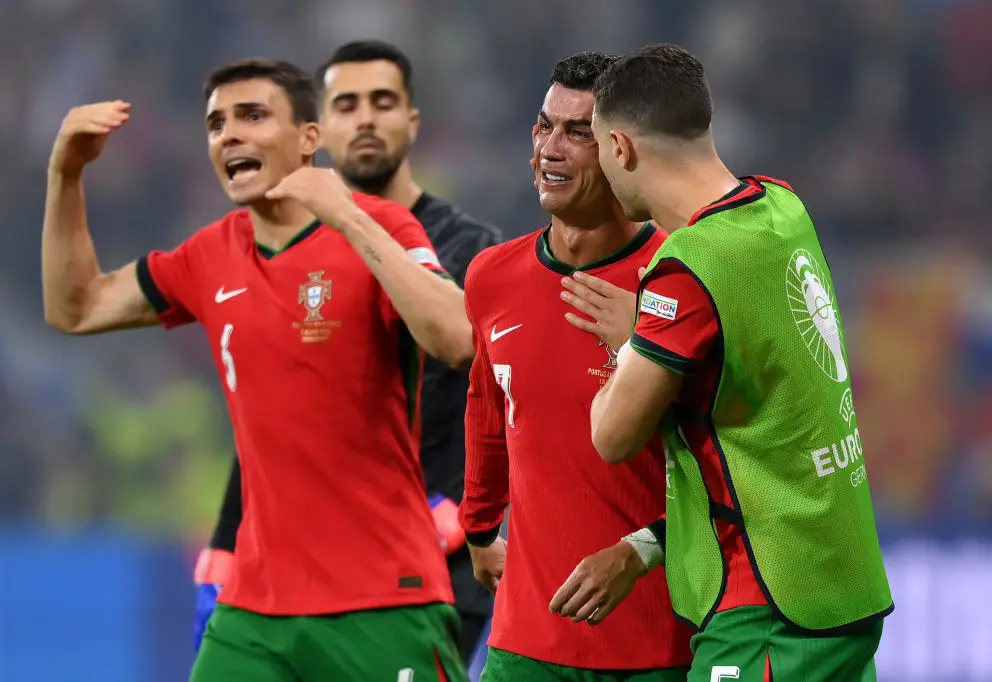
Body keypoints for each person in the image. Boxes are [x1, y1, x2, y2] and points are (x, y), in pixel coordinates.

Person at [42, 58, 472, 682]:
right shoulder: (209, 255)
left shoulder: (382, 227)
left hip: (384, 595)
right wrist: (66, 173)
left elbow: (458, 338)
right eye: (217, 123)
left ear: (307, 139)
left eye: (252, 116)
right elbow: (75, 307)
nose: (229, 135)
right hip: (254, 609)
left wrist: (347, 215)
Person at [558, 44, 893, 681]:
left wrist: (633, 342)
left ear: (621, 148)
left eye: (597, 143)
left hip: (768, 608)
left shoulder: (687, 271)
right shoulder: (783, 208)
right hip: (840, 588)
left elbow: (612, 435)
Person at [193, 40, 500, 661]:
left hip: (434, 557)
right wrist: (227, 539)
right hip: (310, 571)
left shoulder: (471, 251)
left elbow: (508, 395)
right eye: (347, 104)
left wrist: (473, 513)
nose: (365, 118)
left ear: (411, 121)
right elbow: (274, 416)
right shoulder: (280, 248)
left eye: (383, 103)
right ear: (319, 130)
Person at [459, 52, 693, 682]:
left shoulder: (684, 277)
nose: (550, 150)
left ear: (621, 150)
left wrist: (642, 550)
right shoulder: (491, 278)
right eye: (543, 127)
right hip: (526, 645)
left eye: (577, 132)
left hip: (659, 646)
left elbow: (731, 459)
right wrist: (479, 528)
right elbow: (488, 410)